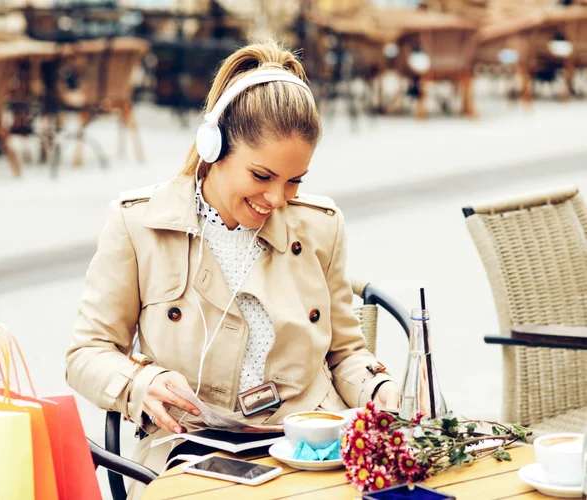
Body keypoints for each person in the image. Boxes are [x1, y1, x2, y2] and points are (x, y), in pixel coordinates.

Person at [66, 40, 399, 498]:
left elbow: (345, 353)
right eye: (262, 176)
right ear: (213, 146)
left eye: (295, 180)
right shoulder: (138, 223)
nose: (278, 198)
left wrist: (376, 388)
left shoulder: (321, 226)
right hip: (192, 448)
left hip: (309, 444)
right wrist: (139, 382)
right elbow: (87, 352)